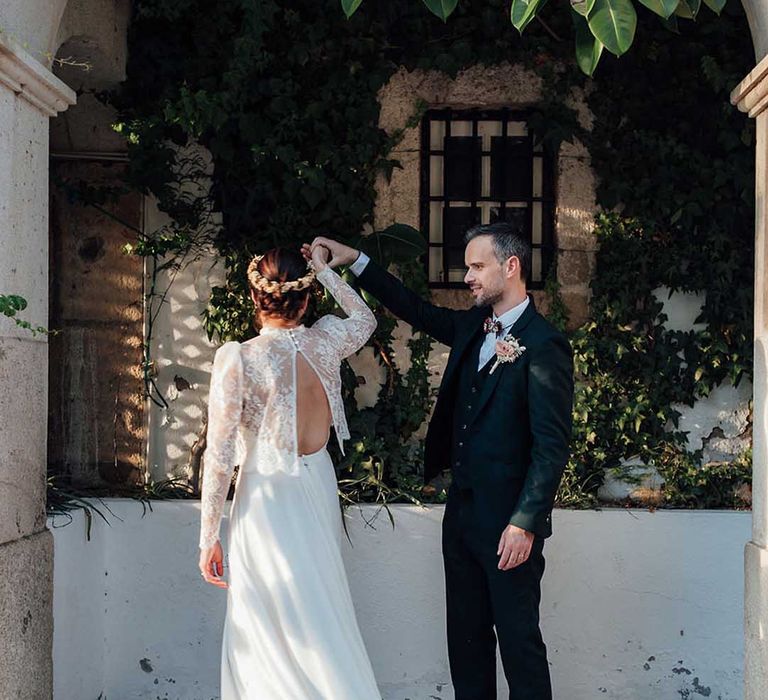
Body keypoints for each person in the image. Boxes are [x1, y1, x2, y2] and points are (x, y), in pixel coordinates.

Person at [305, 223, 574, 700]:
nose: (466, 276)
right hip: (463, 514)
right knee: (466, 643)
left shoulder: (545, 344)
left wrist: (525, 522)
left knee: (518, 644)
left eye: (476, 266)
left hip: (510, 524)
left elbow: (551, 445)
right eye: (466, 266)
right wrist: (354, 259)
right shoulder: (472, 325)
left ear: (511, 267)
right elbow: (412, 307)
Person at [198, 245, 380, 700]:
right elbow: (365, 319)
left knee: (266, 614)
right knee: (321, 605)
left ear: (254, 297)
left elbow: (219, 456)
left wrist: (208, 537)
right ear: (305, 298)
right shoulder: (325, 341)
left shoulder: (239, 358)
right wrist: (325, 269)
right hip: (317, 483)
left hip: (267, 496)